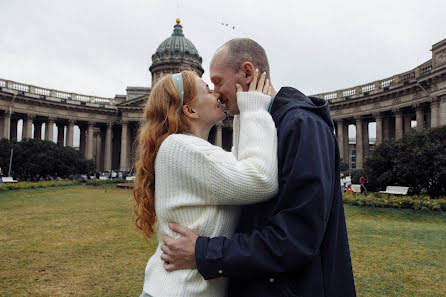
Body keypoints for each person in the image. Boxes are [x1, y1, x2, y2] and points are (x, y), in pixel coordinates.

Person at [161, 38, 356, 297]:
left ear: (248, 73)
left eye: (218, 82)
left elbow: (295, 239)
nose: (215, 92)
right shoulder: (264, 126)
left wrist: (202, 252)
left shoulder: (302, 125)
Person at [134, 69, 278, 297]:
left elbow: (240, 163)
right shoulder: (179, 147)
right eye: (208, 90)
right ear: (189, 110)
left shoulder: (193, 150)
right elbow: (260, 179)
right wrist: (255, 109)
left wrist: (241, 111)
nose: (217, 94)